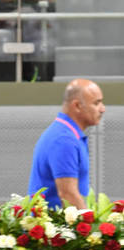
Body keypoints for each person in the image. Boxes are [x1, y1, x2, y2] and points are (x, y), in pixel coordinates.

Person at [28, 79, 105, 210]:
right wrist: (94, 227)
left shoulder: (66, 134)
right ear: (77, 106)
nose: (103, 109)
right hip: (57, 227)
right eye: (96, 103)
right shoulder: (64, 140)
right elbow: (68, 195)